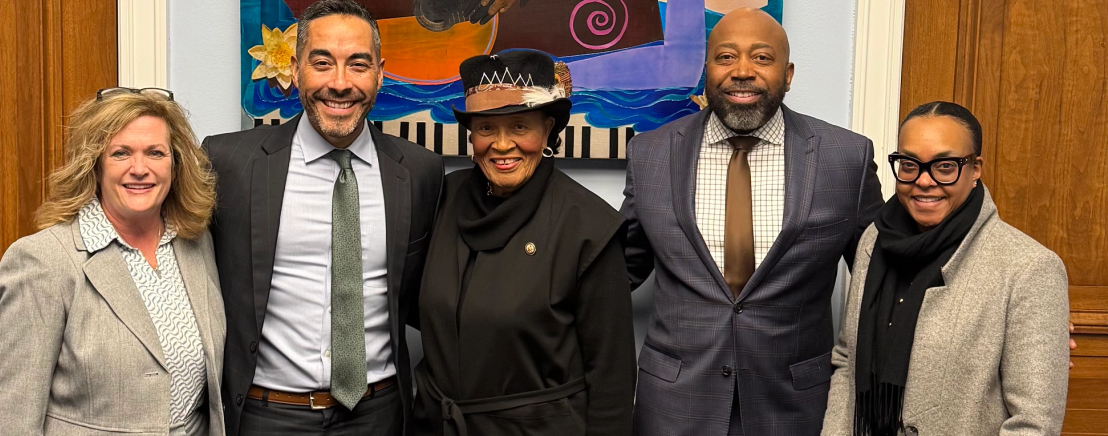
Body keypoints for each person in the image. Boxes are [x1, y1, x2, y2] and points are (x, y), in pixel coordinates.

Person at [621, 8, 884, 436]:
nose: (742, 71)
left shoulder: (845, 158)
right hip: (675, 406)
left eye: (762, 58)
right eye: (726, 57)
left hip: (795, 406)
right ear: (705, 68)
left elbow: (879, 285)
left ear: (789, 72)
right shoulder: (651, 154)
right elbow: (619, 272)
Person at [203, 1, 444, 435]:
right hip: (266, 414)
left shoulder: (420, 171)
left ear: (379, 73)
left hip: (378, 414)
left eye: (357, 65)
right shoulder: (229, 163)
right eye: (322, 63)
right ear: (295, 70)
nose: (340, 83)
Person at [410, 49, 636, 436]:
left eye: (519, 127)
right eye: (486, 128)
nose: (501, 145)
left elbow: (611, 375)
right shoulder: (441, 198)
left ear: (548, 129)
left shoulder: (589, 226)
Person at [822, 102, 1070, 436]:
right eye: (909, 165)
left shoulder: (1028, 268)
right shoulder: (873, 242)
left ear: (975, 169)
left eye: (944, 166)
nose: (924, 181)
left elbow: (1034, 423)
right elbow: (847, 360)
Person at [0, 88, 225, 435]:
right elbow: (14, 417)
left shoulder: (196, 242)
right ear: (95, 165)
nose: (139, 169)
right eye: (121, 153)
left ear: (175, 165)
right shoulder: (43, 261)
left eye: (155, 153)